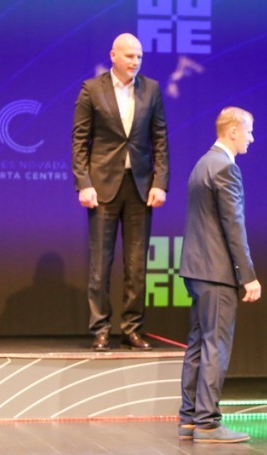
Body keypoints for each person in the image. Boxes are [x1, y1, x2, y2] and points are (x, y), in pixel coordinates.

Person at [72, 33, 169, 351]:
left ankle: (132, 328)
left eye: (139, 56)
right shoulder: (92, 89)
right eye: (129, 56)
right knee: (101, 262)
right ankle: (100, 328)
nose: (135, 61)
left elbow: (160, 138)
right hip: (102, 186)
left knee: (137, 264)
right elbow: (79, 141)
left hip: (140, 186)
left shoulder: (151, 89)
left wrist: (160, 182)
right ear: (113, 55)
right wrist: (84, 183)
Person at [177, 107, 261, 443]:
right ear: (234, 131)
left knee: (199, 344)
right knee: (215, 345)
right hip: (216, 271)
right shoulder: (226, 167)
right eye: (249, 131)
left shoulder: (203, 163)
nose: (252, 138)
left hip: (197, 270)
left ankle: (190, 419)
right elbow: (233, 225)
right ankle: (208, 423)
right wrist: (248, 275)